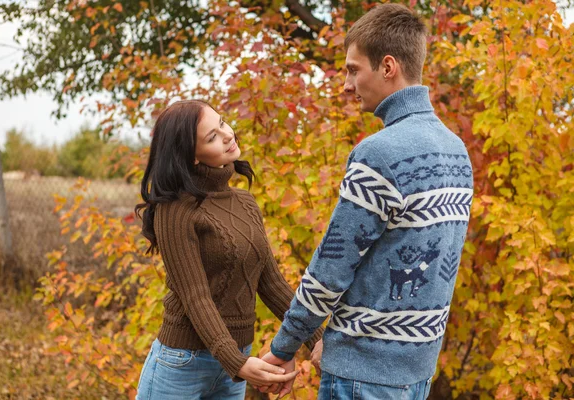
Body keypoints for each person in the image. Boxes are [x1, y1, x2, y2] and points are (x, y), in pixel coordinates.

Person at [261, 4, 474, 399]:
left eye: (353, 69)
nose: (346, 83)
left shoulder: (378, 154)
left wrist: (284, 347)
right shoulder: (456, 150)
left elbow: (332, 267)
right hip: (417, 373)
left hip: (365, 378)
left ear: (388, 66)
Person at [134, 100, 323, 400]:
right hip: (184, 363)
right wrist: (237, 363)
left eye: (222, 123)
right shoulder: (175, 209)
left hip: (235, 361)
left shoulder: (245, 202)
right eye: (211, 137)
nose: (227, 134)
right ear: (191, 157)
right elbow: (195, 297)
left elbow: (271, 283)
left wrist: (314, 338)